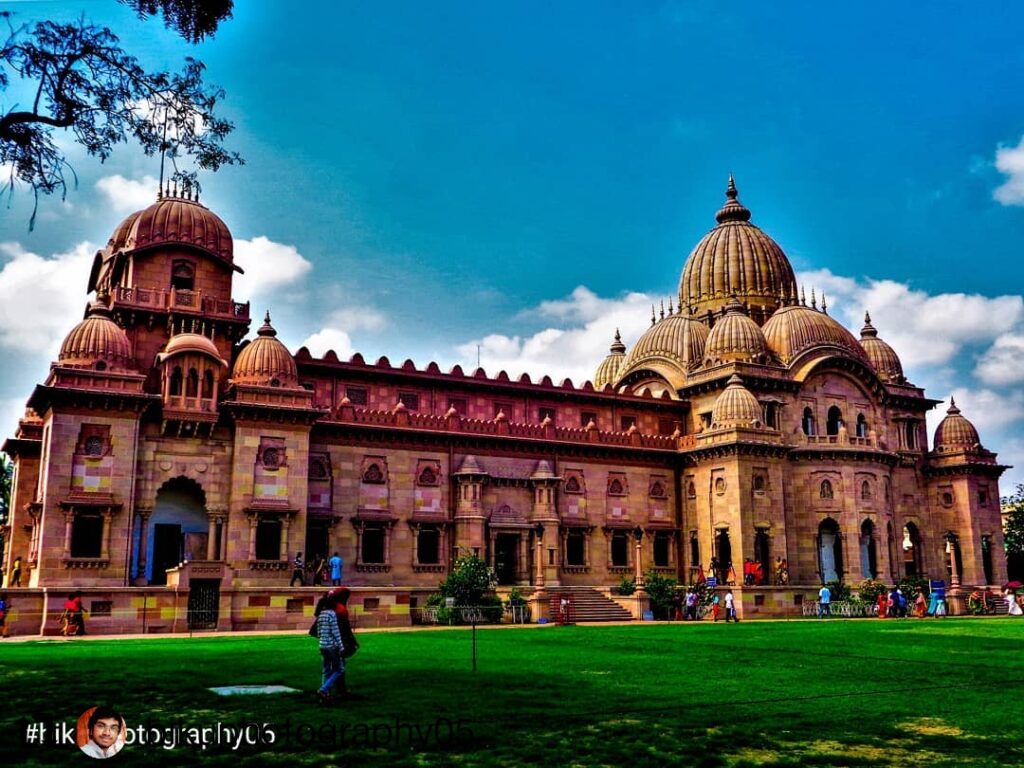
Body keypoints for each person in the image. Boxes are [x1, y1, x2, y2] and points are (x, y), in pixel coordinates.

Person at [313, 593, 346, 703]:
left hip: (322, 645)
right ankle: (323, 690)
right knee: (339, 669)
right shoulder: (332, 614)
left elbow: (318, 632)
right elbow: (336, 632)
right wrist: (341, 647)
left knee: (326, 669)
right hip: (332, 646)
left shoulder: (321, 614)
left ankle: (325, 694)